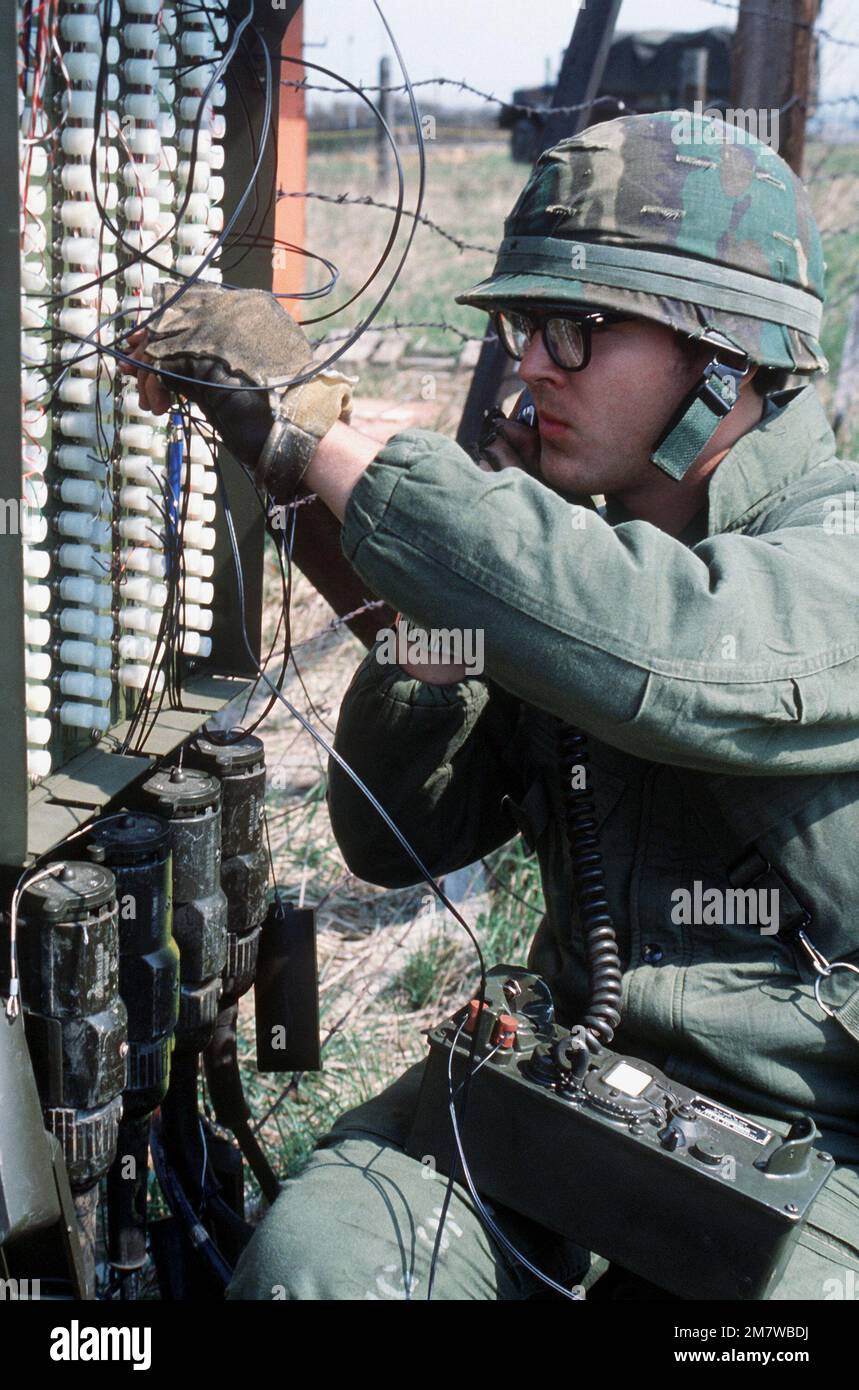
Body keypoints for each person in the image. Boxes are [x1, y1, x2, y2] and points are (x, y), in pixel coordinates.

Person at [127, 112, 859, 1301]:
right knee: (320, 1275)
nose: (529, 365)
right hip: (569, 1077)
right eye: (522, 329)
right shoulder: (569, 550)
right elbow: (400, 837)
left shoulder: (831, 551)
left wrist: (335, 445)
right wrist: (444, 621)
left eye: (572, 329)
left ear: (723, 351)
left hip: (818, 1153)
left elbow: (666, 643)